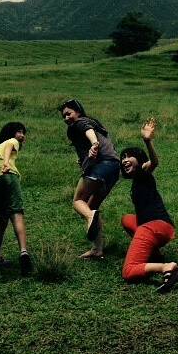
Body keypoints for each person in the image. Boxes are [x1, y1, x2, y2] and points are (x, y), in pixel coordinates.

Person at [120, 118, 178, 293]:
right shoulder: (137, 180)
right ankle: (154, 253)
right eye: (122, 158)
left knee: (129, 271)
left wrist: (147, 141)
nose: (124, 160)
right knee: (126, 219)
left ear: (140, 160)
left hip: (152, 228)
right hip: (163, 226)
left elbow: (154, 162)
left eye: (129, 156)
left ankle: (167, 268)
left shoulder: (143, 173)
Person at [60, 99, 120, 259]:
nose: (66, 118)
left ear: (78, 112)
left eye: (69, 113)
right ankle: (97, 249)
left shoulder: (80, 122)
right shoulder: (95, 123)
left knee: (78, 201)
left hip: (100, 166)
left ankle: (90, 217)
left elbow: (88, 132)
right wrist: (83, 159)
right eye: (64, 116)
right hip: (114, 168)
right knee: (91, 206)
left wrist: (94, 144)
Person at [0, 122, 33, 275]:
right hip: (8, 176)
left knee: (1, 220)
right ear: (10, 133)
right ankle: (23, 252)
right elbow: (9, 146)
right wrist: (6, 163)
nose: (22, 135)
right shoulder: (12, 141)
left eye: (23, 133)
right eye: (19, 132)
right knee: (16, 213)